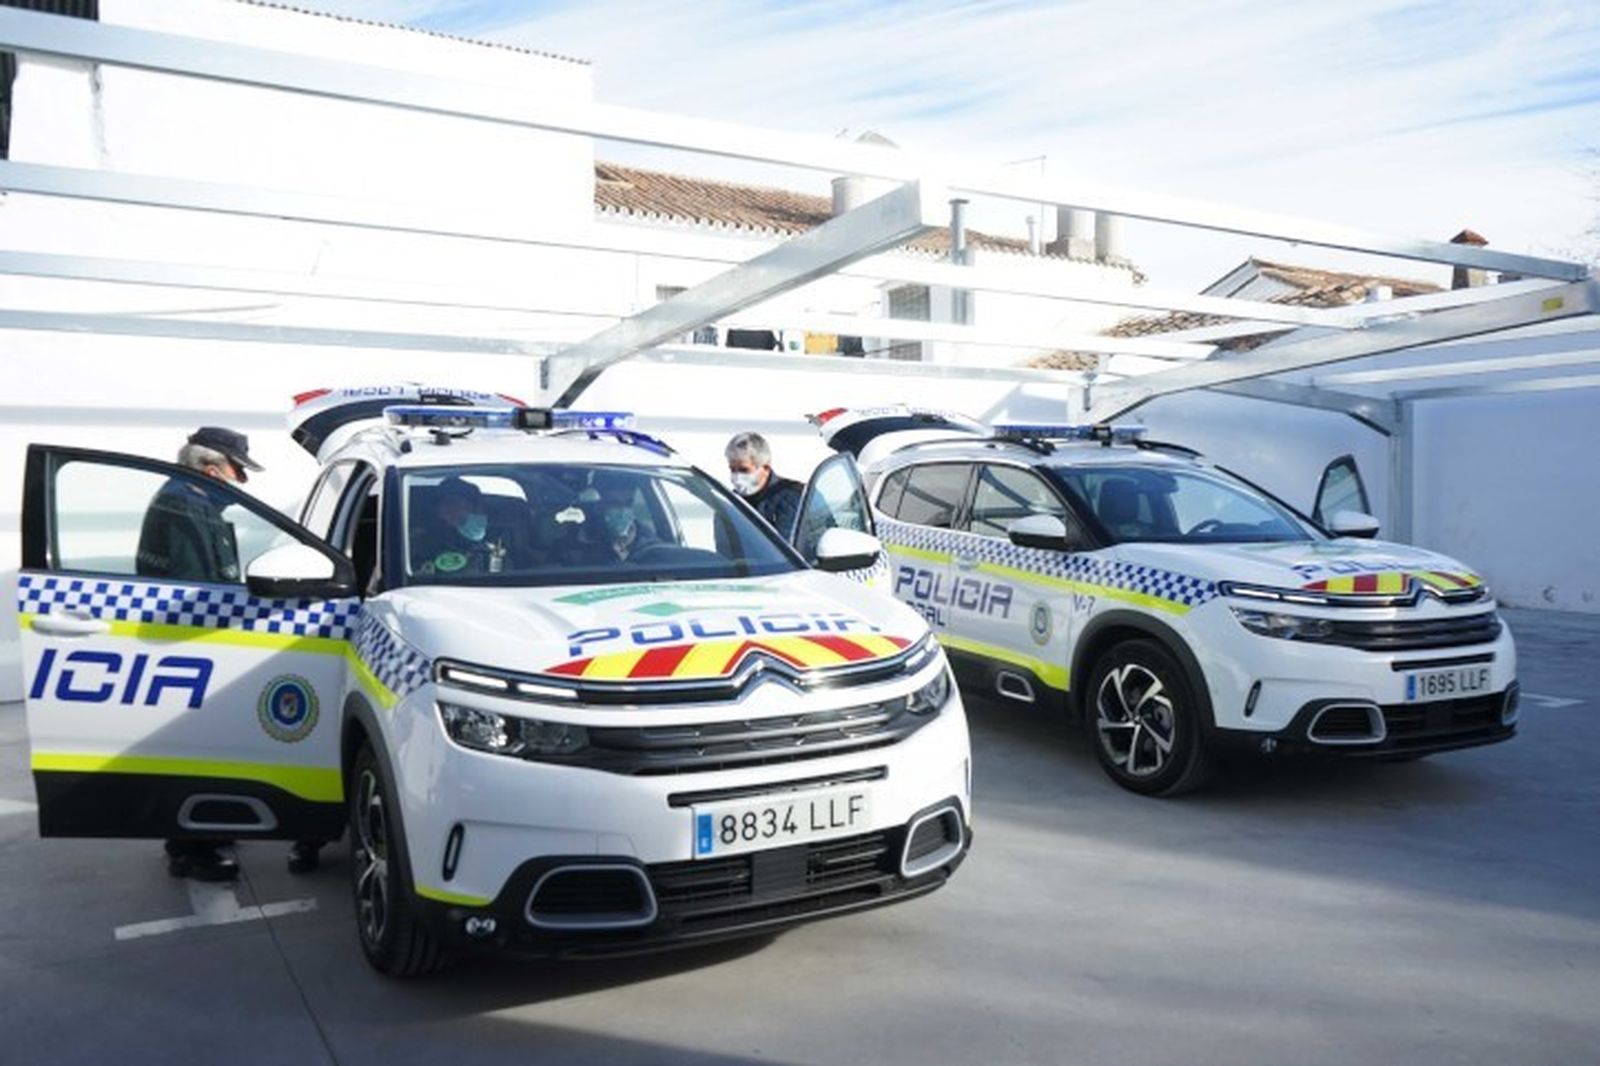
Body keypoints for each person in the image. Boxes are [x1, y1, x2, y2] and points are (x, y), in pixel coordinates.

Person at [136, 428, 324, 879]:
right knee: (194, 745)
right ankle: (189, 850)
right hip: (189, 642)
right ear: (210, 465)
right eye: (237, 469)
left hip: (193, 638)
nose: (240, 481)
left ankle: (204, 829)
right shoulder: (186, 504)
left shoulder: (193, 499)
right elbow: (196, 585)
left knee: (202, 743)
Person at [726, 432, 802, 540]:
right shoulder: (731, 502)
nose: (737, 477)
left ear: (766, 468)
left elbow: (784, 549)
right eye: (732, 469)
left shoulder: (793, 498)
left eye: (744, 470)